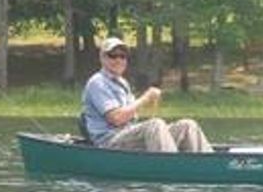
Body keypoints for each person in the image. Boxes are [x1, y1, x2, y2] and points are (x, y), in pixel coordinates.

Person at [82, 37, 213, 152]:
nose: (118, 60)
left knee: (187, 125)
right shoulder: (98, 83)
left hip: (127, 136)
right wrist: (146, 98)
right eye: (113, 55)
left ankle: (210, 165)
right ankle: (172, 168)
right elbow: (116, 118)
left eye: (122, 56)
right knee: (155, 125)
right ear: (102, 58)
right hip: (109, 143)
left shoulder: (122, 83)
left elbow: (131, 118)